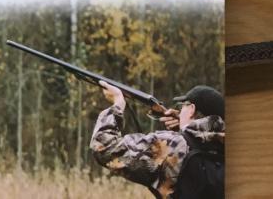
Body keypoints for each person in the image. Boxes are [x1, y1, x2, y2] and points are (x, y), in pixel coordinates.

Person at [90, 82, 225, 198]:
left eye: (182, 106)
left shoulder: (174, 144)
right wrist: (184, 128)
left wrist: (118, 103)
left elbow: (104, 147)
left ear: (191, 109)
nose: (179, 111)